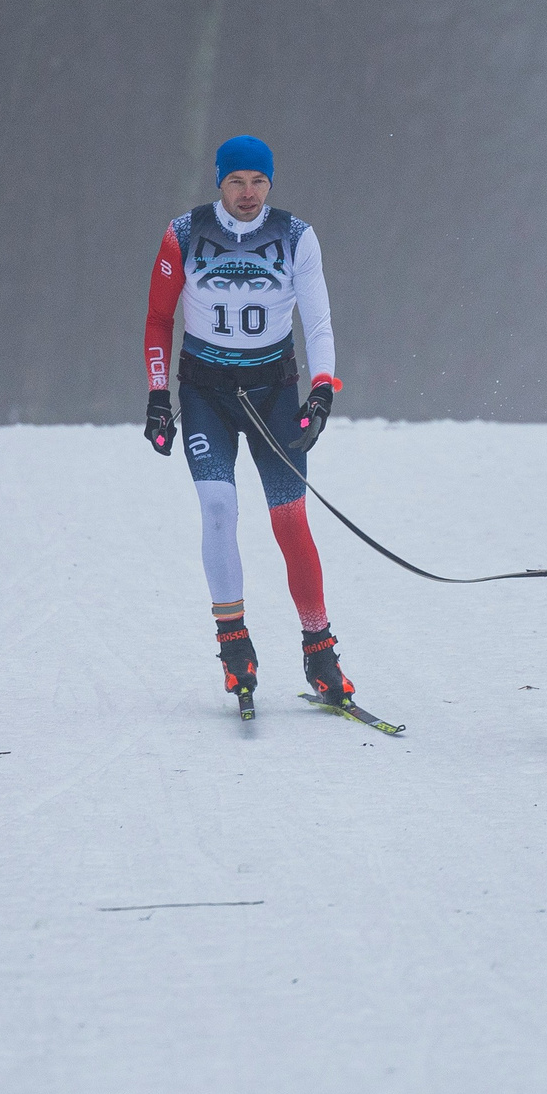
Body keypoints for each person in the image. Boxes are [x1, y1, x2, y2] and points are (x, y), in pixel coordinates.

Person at [141, 135, 351, 709]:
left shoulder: (297, 236)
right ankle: (234, 647)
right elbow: (159, 321)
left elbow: (320, 324)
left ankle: (320, 650)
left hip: (274, 394)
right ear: (219, 182)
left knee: (289, 521)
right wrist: (160, 398)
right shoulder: (183, 233)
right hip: (205, 394)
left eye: (259, 182)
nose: (249, 193)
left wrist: (321, 394)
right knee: (218, 508)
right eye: (237, 181)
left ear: (271, 184)